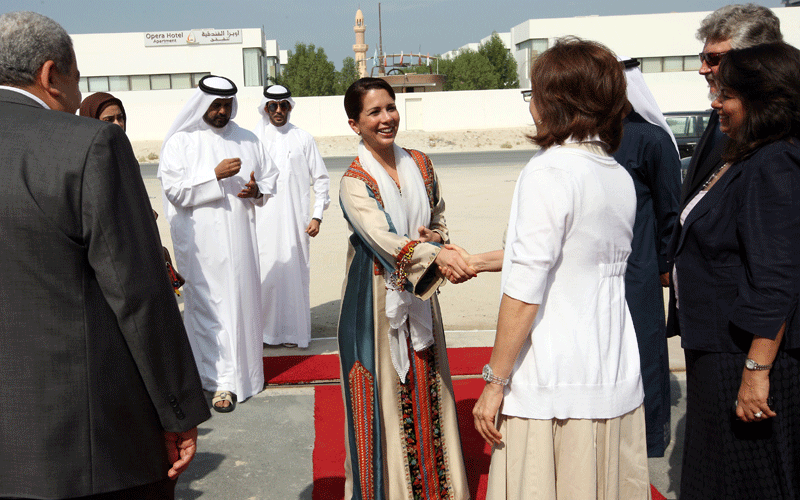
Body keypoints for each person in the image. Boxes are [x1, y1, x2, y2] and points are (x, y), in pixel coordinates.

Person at [0, 11, 209, 499]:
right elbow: (136, 292)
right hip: (84, 447)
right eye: (77, 79)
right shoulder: (89, 145)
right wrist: (178, 409)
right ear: (52, 75)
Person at [472, 38, 651, 499]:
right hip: (610, 367)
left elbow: (527, 287)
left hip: (553, 378)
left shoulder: (550, 171)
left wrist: (494, 381)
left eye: (533, 93)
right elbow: (569, 260)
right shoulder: (614, 172)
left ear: (554, 102)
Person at [667, 42, 800, 500]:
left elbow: (777, 278)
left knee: (747, 481)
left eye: (727, 95)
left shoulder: (775, 162)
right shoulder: (744, 156)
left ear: (764, 100)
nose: (714, 102)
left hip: (745, 357)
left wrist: (755, 371)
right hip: (719, 351)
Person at [337, 77, 474, 500]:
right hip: (374, 301)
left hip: (420, 292)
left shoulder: (422, 163)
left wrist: (436, 240)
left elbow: (438, 220)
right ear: (354, 124)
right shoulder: (354, 180)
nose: (386, 119)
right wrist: (435, 255)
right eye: (374, 112)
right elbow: (383, 240)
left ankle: (437, 487)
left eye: (391, 108)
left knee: (428, 381)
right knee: (381, 395)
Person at [158, 75, 279, 413]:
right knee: (209, 309)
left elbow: (269, 178)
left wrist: (256, 191)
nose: (222, 111)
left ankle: (247, 376)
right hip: (201, 245)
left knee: (241, 304)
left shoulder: (248, 139)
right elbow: (175, 191)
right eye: (215, 105)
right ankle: (218, 382)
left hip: (240, 242)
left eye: (227, 105)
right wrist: (214, 176)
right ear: (201, 104)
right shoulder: (181, 142)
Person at [612, 58, 681, 457]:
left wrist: (665, 264)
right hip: (602, 267)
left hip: (639, 268)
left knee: (645, 347)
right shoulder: (592, 136)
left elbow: (670, 207)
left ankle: (652, 436)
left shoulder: (651, 139)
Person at [80, 91, 186, 293]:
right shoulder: (86, 162)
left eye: (121, 118)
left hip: (138, 252)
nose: (118, 124)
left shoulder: (125, 157)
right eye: (108, 119)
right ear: (91, 121)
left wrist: (161, 255)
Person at [679, 4, 782, 209]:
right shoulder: (719, 118)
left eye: (714, 58)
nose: (703, 69)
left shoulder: (781, 143)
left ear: (754, 60)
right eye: (703, 57)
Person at [253, 84, 330, 348]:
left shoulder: (303, 139)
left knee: (293, 277)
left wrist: (317, 216)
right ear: (265, 108)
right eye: (272, 106)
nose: (278, 110)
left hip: (296, 223)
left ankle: (290, 334)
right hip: (261, 223)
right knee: (265, 275)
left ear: (289, 107)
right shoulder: (254, 139)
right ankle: (263, 334)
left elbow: (320, 179)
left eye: (283, 105)